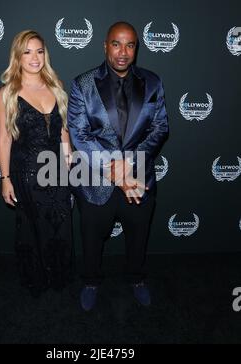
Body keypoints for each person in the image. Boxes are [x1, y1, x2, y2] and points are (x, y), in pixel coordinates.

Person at [68, 22, 169, 311]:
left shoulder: (152, 82)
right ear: (105, 45)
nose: (123, 52)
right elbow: (79, 135)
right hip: (95, 180)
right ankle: (90, 281)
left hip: (138, 179)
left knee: (139, 236)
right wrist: (115, 169)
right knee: (91, 240)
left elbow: (160, 128)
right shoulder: (82, 84)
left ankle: (137, 278)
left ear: (137, 48)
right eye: (116, 44)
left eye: (130, 45)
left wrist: (130, 165)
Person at [0, 30, 74, 298]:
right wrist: (5, 178)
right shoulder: (8, 93)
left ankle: (59, 275)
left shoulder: (56, 85)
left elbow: (63, 130)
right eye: (27, 51)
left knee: (61, 225)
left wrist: (69, 159)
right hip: (27, 171)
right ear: (17, 55)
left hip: (57, 170)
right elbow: (4, 138)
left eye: (39, 51)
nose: (34, 57)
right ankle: (36, 278)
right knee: (33, 228)